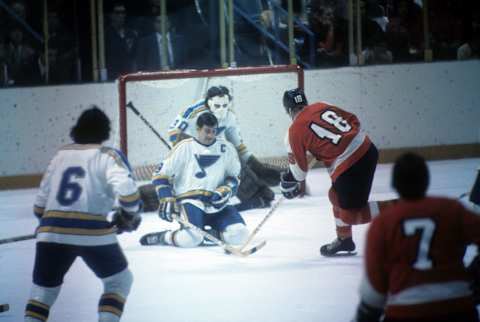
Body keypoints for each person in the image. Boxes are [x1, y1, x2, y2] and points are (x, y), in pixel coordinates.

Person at [24, 107, 142, 322]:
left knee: (43, 292)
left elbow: (39, 206)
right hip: (93, 234)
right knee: (119, 281)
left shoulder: (61, 155)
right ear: (105, 132)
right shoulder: (108, 155)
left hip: (50, 233)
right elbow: (128, 193)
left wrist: (48, 227)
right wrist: (128, 216)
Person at [352, 152, 480, 322]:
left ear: (395, 184)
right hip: (458, 308)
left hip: (405, 311)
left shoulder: (384, 222)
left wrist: (366, 315)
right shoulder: (452, 209)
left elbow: (375, 282)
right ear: (426, 180)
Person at [280, 88, 392, 257]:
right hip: (367, 149)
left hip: (350, 164)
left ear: (288, 110)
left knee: (351, 216)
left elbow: (299, 174)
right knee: (335, 196)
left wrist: (288, 180)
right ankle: (344, 240)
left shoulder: (293, 131)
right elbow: (354, 120)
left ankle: (405, 206)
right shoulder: (323, 104)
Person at [140, 112, 249, 248]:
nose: (210, 135)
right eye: (207, 131)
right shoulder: (184, 147)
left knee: (240, 235)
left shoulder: (226, 148)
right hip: (191, 202)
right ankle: (164, 237)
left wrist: (225, 189)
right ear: (197, 129)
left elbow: (234, 177)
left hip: (217, 203)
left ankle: (208, 235)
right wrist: (166, 197)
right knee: (190, 239)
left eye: (214, 131)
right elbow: (160, 174)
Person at [168, 85, 280, 211]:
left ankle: (252, 193)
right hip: (193, 154)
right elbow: (174, 133)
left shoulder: (230, 117)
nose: (221, 110)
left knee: (263, 193)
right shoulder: (193, 113)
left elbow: (238, 146)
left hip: (215, 149)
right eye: (217, 106)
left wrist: (256, 166)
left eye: (225, 105)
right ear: (208, 103)